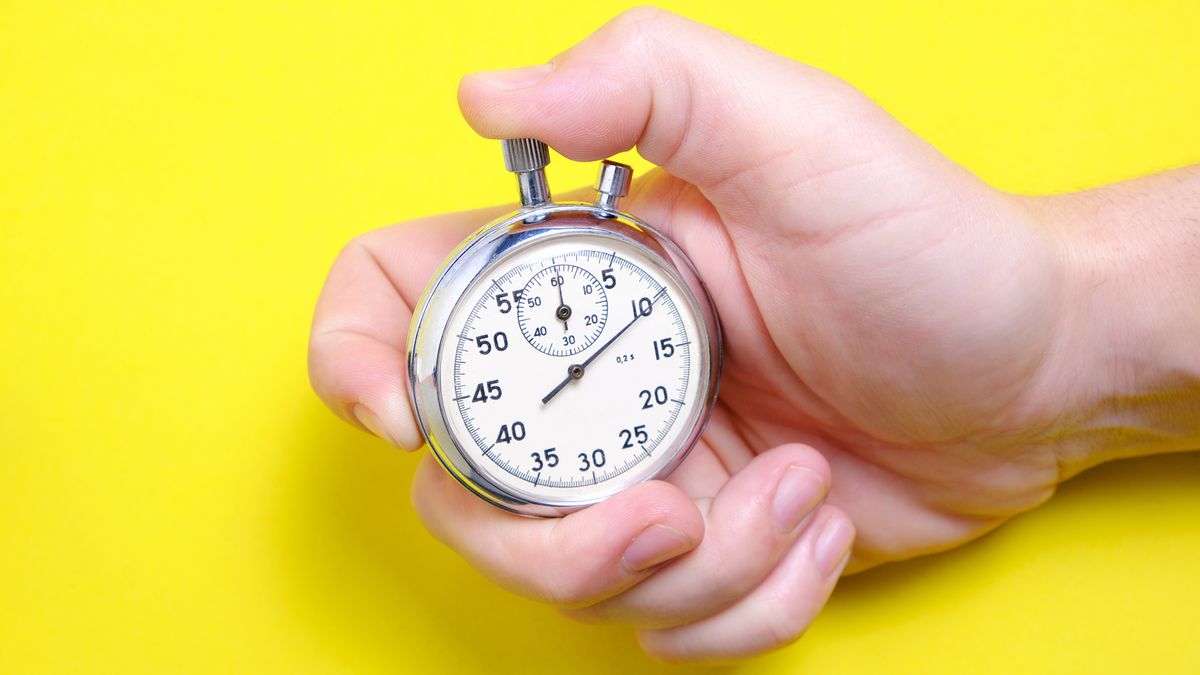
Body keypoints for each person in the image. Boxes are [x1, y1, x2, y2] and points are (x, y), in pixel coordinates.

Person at [307, 7, 1200, 663]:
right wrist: (1073, 351)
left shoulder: (670, 293)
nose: (575, 361)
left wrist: (1062, 346)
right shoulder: (575, 311)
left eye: (592, 340)